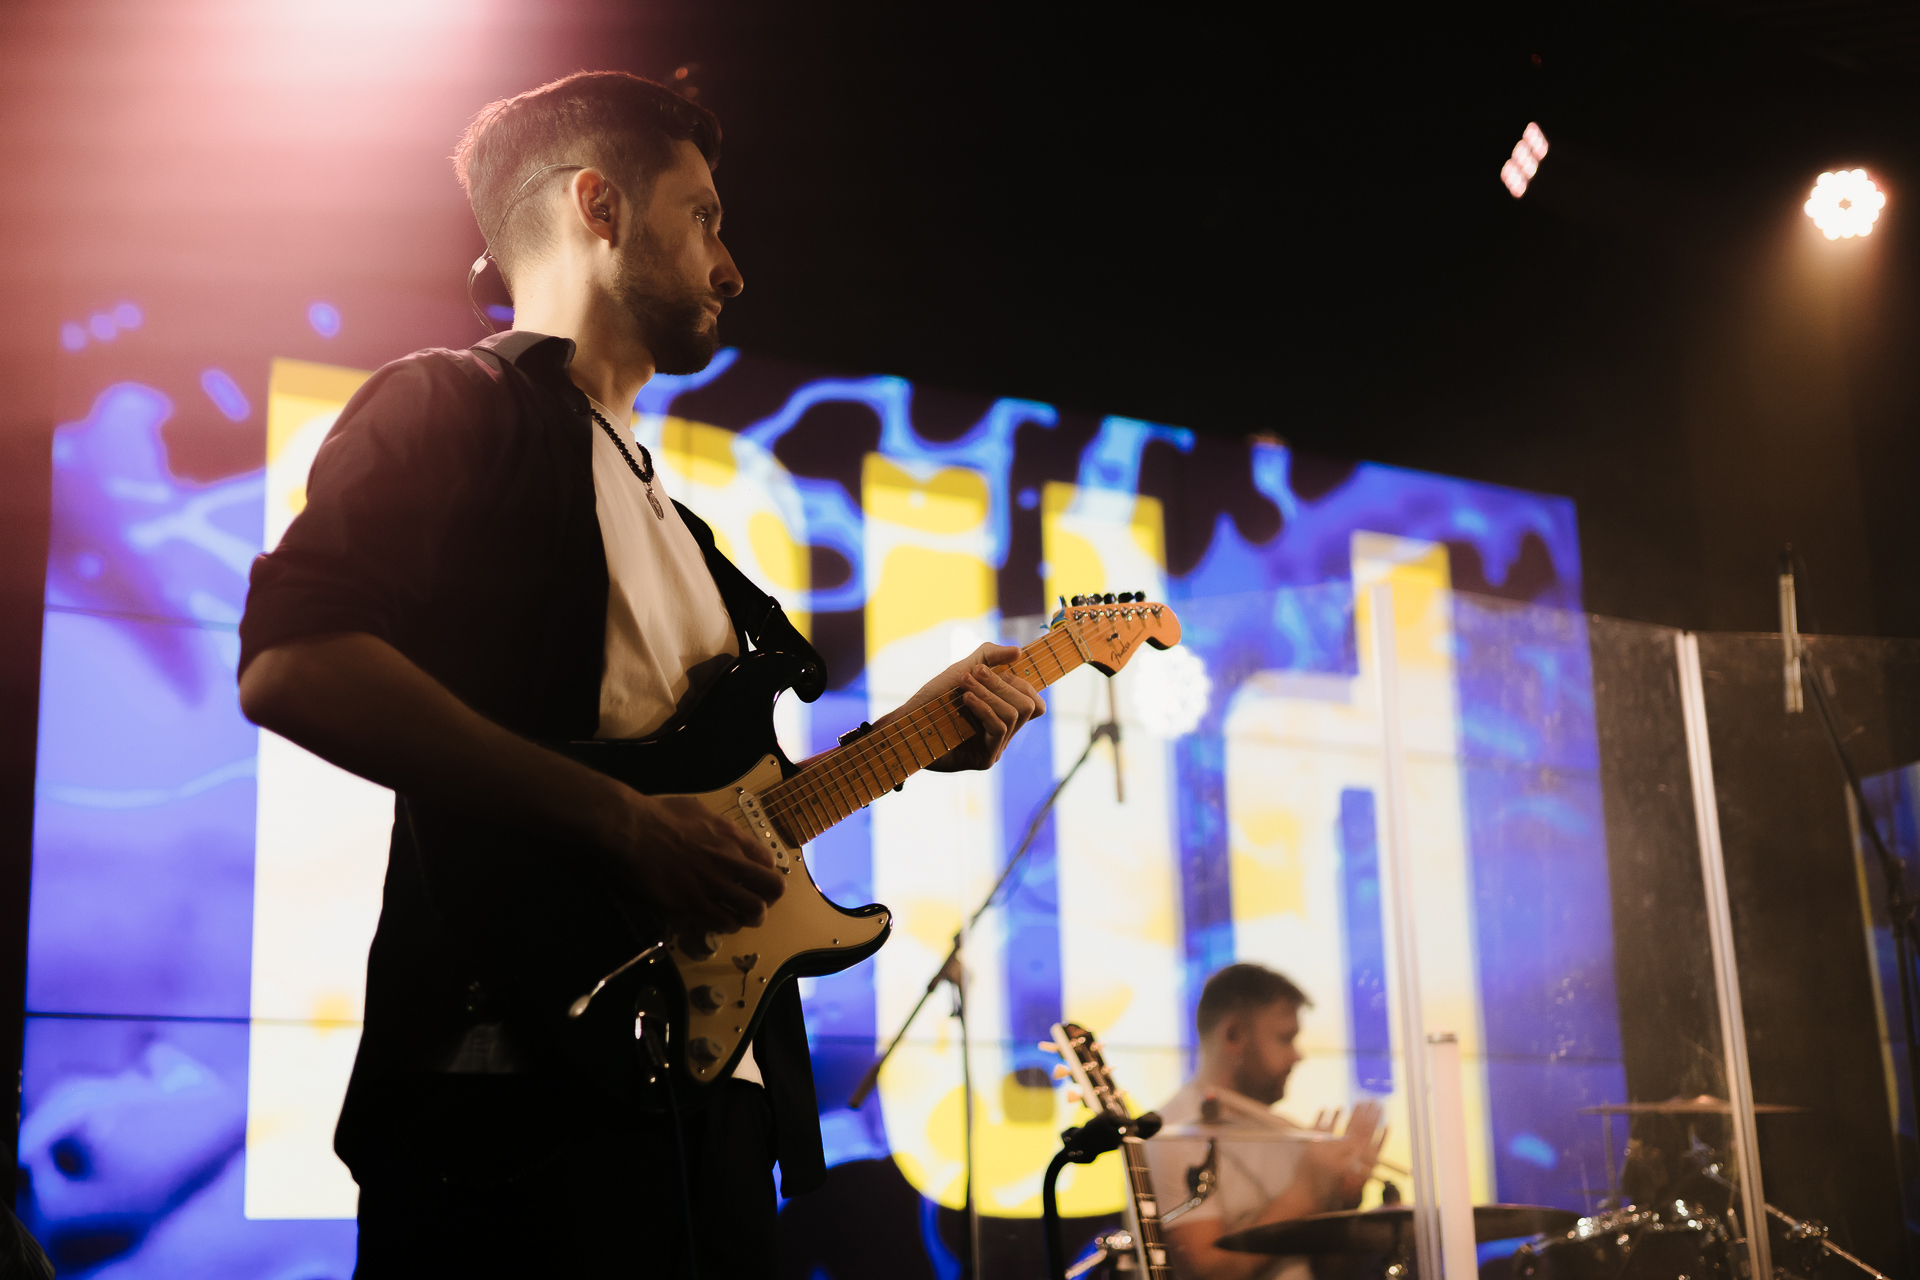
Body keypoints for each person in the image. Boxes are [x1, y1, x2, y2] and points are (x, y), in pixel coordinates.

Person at [236, 71, 1044, 1277]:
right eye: (704, 216)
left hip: (715, 1114)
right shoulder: (451, 406)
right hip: (517, 1106)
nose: (733, 268)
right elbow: (295, 663)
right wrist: (622, 823)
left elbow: (718, 811)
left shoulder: (683, 527)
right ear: (600, 206)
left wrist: (919, 736)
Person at [1145, 964, 1386, 1280]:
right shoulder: (1172, 1133)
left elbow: (1332, 1273)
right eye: (1285, 1038)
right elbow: (1207, 1273)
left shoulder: (1286, 1133)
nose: (1298, 1056)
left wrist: (1345, 1199)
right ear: (1233, 1035)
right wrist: (1307, 1194)